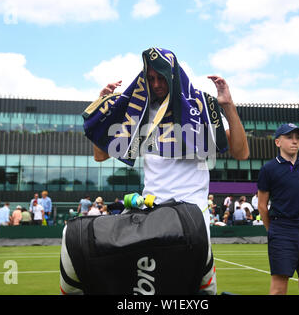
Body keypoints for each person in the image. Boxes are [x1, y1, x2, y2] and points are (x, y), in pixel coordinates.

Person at [60, 47, 249, 295]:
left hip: (192, 218)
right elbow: (100, 155)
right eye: (151, 79)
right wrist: (105, 114)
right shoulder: (141, 115)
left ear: (174, 76)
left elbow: (241, 153)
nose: (157, 84)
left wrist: (228, 105)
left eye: (161, 77)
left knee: (193, 292)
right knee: (148, 289)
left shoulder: (200, 109)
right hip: (151, 215)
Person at [257, 123, 299, 295]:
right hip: (282, 231)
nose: (295, 141)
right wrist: (272, 230)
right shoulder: (268, 169)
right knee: (279, 286)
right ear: (278, 142)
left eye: (297, 138)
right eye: (289, 137)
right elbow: (262, 205)